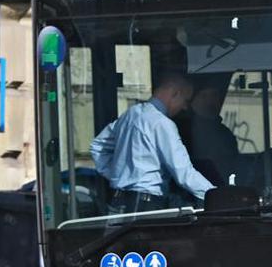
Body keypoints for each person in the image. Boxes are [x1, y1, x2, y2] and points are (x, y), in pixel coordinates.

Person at [89, 70, 214, 212]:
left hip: (117, 201)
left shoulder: (131, 114)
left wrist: (117, 176)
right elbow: (183, 172)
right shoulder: (162, 123)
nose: (185, 107)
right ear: (175, 93)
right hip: (146, 206)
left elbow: (98, 146)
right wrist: (215, 195)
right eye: (185, 101)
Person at [183, 79, 242, 188]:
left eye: (214, 95)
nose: (210, 101)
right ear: (192, 101)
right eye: (204, 96)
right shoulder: (181, 132)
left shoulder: (225, 134)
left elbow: (234, 168)